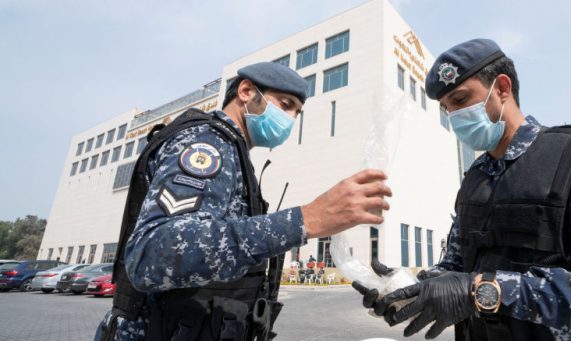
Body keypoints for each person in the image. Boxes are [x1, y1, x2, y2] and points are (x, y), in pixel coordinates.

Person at [355, 39, 571, 340]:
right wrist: (406, 288)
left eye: (460, 100)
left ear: (502, 88)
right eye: (446, 109)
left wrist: (484, 292)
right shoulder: (475, 178)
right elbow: (456, 267)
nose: (454, 117)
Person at [95, 61, 392, 341]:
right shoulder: (206, 144)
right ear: (247, 91)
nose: (290, 119)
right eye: (285, 105)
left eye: (296, 113)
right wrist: (305, 220)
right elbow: (151, 255)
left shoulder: (233, 152)